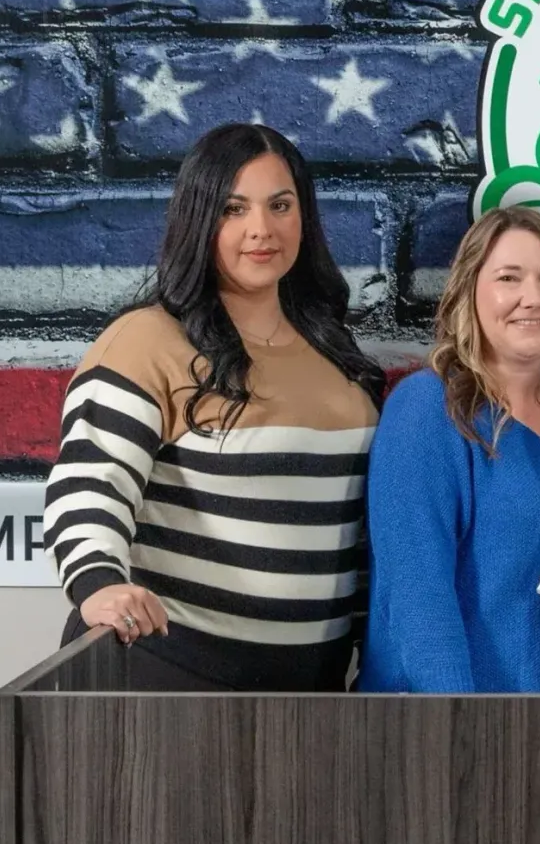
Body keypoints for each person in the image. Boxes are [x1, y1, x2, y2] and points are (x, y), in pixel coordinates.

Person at [41, 122, 386, 690]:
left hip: (312, 690)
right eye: (233, 209)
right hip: (167, 675)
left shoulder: (340, 359)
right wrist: (97, 585)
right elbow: (89, 483)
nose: (261, 230)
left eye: (280, 205)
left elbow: (363, 537)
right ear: (199, 219)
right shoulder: (146, 341)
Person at [358, 207, 540, 693]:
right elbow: (418, 599)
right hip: (448, 729)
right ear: (470, 289)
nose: (533, 297)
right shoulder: (428, 409)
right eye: (509, 277)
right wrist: (460, 732)